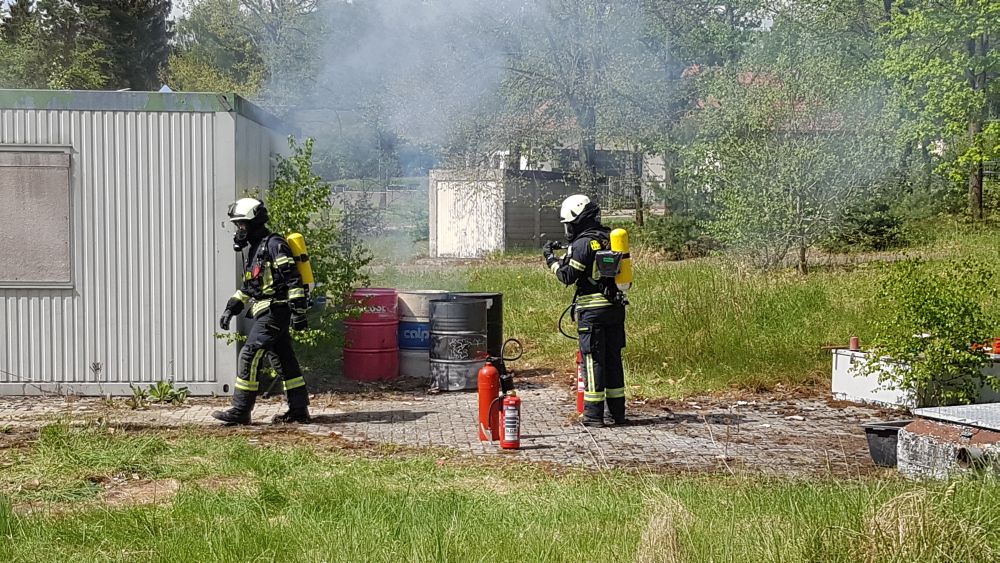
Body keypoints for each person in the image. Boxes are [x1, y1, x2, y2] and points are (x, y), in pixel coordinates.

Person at [213, 197, 312, 425]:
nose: (239, 230)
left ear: (254, 223)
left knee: (250, 354)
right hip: (265, 309)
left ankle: (241, 410)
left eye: (242, 225)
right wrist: (230, 309)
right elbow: (250, 287)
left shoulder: (275, 245)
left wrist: (298, 312)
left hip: (275, 310)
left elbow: (293, 279)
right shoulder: (256, 249)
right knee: (284, 360)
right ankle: (299, 410)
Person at [543, 194, 627, 427]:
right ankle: (617, 413)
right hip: (615, 308)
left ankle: (593, 415)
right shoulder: (609, 239)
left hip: (592, 312)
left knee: (593, 360)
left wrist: (551, 260)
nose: (568, 229)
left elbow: (567, 276)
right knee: (613, 359)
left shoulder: (582, 244)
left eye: (569, 224)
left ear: (578, 220)